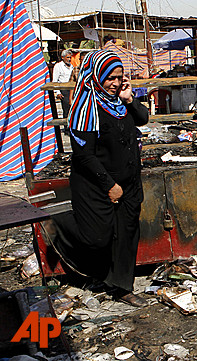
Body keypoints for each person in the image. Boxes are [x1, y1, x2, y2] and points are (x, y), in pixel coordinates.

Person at [52, 50, 149, 307]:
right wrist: (110, 185)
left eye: (119, 77)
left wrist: (130, 99)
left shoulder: (120, 102)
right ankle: (56, 223)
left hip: (128, 182)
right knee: (97, 237)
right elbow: (84, 155)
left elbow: (143, 118)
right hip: (96, 184)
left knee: (127, 233)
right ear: (97, 76)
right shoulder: (85, 108)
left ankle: (122, 287)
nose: (116, 83)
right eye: (110, 78)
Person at [52, 49, 74, 118]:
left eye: (70, 57)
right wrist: (58, 92)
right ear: (62, 57)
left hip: (72, 89)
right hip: (64, 90)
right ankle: (66, 127)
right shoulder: (58, 66)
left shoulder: (71, 66)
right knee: (66, 109)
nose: (69, 59)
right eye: (68, 57)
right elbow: (55, 80)